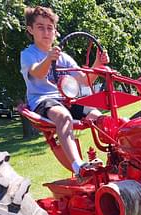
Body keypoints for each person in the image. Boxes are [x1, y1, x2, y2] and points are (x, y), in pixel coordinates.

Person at [21, 5, 109, 175]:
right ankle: (78, 166)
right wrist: (49, 58)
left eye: (50, 28)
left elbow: (85, 80)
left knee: (100, 118)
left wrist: (98, 64)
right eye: (40, 27)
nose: (46, 32)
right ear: (30, 30)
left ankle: (119, 159)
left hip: (66, 100)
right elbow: (38, 73)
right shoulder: (28, 54)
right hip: (43, 100)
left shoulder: (64, 57)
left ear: (55, 32)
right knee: (63, 116)